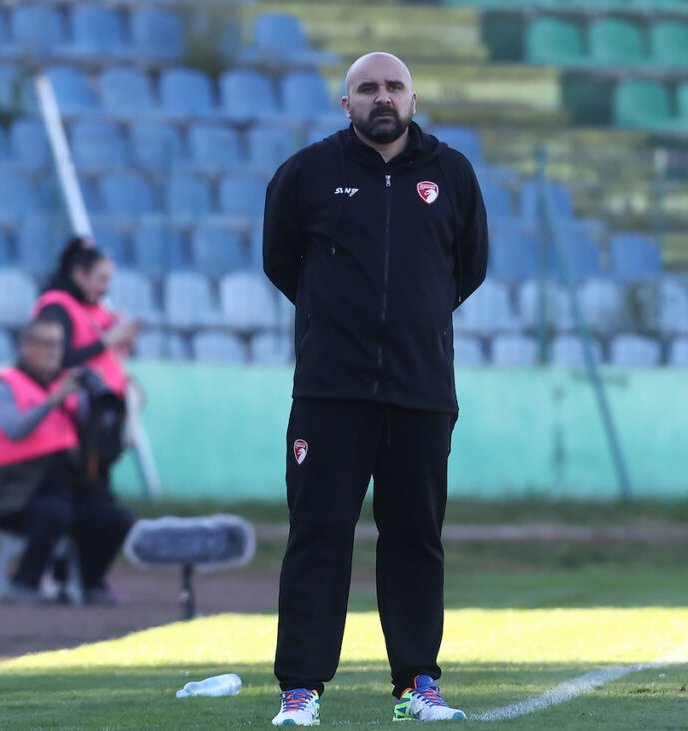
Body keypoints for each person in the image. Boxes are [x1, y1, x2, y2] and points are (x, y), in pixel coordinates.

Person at [263, 51, 488, 725]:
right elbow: (281, 261)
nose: (381, 97)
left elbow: (468, 268)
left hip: (421, 391)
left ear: (414, 100)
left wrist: (413, 322)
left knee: (415, 538)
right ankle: (301, 689)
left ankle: (417, 682)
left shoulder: (452, 174)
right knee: (319, 535)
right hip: (331, 393)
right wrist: (338, 323)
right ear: (347, 105)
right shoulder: (307, 173)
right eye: (367, 88)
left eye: (394, 87)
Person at [0, 318, 135, 605]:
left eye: (59, 345)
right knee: (55, 513)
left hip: (63, 488)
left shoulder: (69, 384)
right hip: (15, 493)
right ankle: (23, 582)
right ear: (25, 347)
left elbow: (90, 432)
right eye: (46, 344)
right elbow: (14, 429)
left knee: (116, 518)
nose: (54, 351)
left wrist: (103, 404)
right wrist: (54, 399)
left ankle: (89, 583)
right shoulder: (4, 384)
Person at [33, 237, 140, 494]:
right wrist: (107, 341)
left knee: (98, 486)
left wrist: (123, 341)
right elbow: (57, 360)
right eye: (101, 279)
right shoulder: (56, 306)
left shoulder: (91, 307)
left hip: (102, 413)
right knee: (82, 490)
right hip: (74, 418)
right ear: (80, 273)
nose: (105, 289)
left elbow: (105, 351)